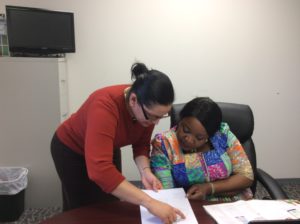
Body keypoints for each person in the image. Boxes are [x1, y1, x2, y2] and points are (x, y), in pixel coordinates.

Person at [51, 62, 185, 223]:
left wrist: (145, 172)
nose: (156, 123)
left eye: (161, 116)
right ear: (133, 100)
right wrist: (150, 202)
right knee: (83, 209)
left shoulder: (145, 110)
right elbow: (100, 170)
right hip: (71, 149)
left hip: (108, 146)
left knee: (110, 203)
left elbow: (141, 145)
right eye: (153, 116)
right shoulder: (104, 106)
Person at [150, 97, 254, 201]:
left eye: (199, 138)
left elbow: (246, 176)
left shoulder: (222, 134)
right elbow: (167, 193)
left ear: (209, 136)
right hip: (190, 205)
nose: (189, 139)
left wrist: (209, 188)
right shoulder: (164, 144)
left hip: (235, 204)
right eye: (186, 130)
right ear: (180, 120)